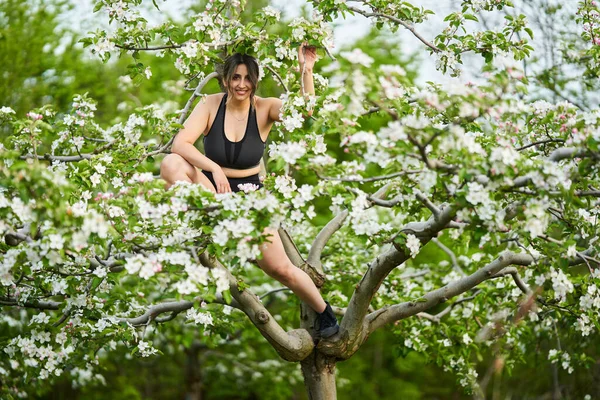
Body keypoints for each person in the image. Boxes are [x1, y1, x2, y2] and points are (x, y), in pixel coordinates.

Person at [160, 44, 339, 339]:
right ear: (227, 80)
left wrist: (306, 70)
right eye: (235, 78)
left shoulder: (265, 107)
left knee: (281, 269)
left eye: (247, 78)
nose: (241, 85)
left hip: (250, 196)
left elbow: (307, 113)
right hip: (210, 188)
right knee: (171, 163)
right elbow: (180, 144)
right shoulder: (210, 104)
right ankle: (197, 225)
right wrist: (214, 169)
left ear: (255, 81)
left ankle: (324, 312)